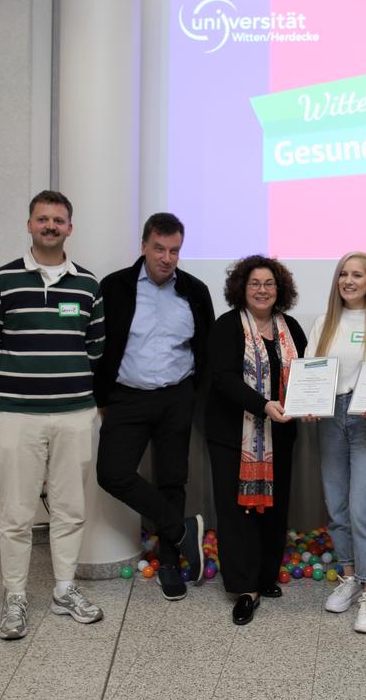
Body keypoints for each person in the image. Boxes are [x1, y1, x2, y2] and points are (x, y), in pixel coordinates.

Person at [0, 190, 105, 639]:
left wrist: (57, 381)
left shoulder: (88, 285)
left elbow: (96, 347)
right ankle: (15, 598)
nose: (51, 226)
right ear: (29, 224)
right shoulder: (1, 282)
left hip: (75, 414)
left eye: (59, 220)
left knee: (70, 509)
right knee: (16, 512)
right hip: (17, 416)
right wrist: (20, 385)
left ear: (70, 227)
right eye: (43, 219)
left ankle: (64, 590)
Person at [95, 213, 214, 601]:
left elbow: (207, 349)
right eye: (159, 248)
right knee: (112, 473)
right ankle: (181, 531)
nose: (166, 257)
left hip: (176, 396)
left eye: (174, 250)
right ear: (144, 245)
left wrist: (195, 394)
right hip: (127, 396)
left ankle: (169, 563)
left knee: (172, 478)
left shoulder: (195, 291)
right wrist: (101, 398)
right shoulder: (115, 287)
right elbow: (96, 345)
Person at [205, 255, 306, 625]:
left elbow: (305, 376)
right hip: (233, 436)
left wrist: (308, 404)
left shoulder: (290, 326)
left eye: (269, 284)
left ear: (280, 290)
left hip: (280, 434)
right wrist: (265, 405)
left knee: (275, 509)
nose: (262, 290)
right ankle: (245, 588)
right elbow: (225, 380)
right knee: (239, 513)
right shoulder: (227, 326)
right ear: (241, 289)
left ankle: (265, 576)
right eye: (254, 284)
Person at [305, 252, 366, 634]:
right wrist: (308, 404)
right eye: (343, 274)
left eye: (357, 275)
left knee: (363, 508)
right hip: (329, 419)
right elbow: (309, 371)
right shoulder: (323, 322)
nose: (348, 281)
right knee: (337, 504)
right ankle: (348, 576)